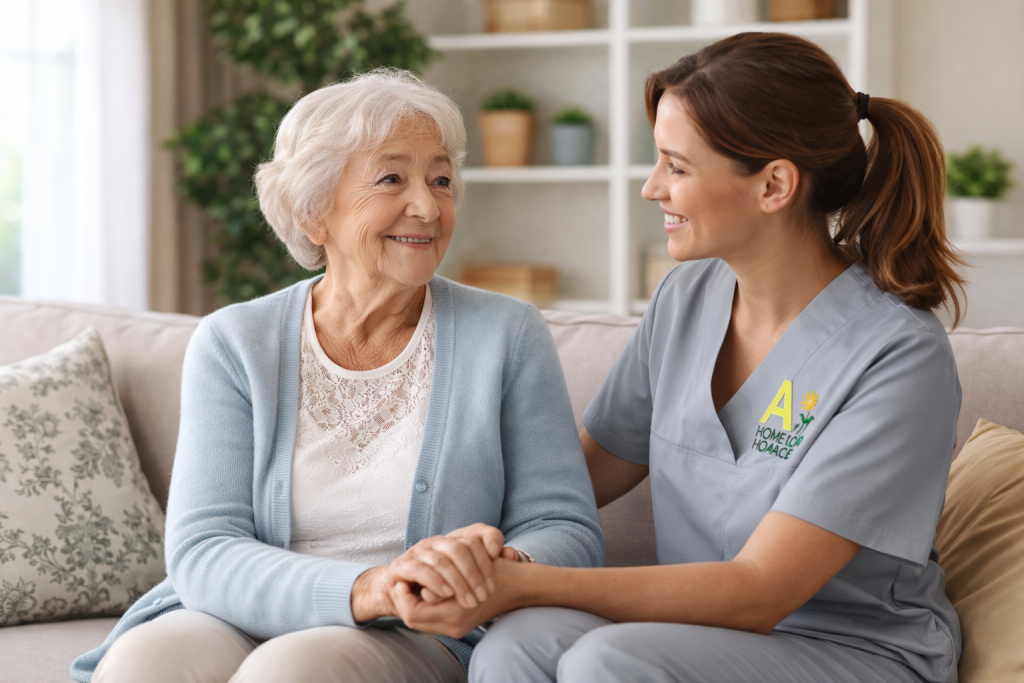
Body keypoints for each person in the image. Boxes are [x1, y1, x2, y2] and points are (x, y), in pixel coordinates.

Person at [389, 33, 966, 683]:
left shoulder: (897, 355)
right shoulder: (688, 298)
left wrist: (532, 583)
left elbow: (760, 590)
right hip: (696, 635)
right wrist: (468, 541)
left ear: (774, 184)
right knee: (515, 643)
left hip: (854, 649)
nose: (651, 187)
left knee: (607, 660)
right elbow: (586, 469)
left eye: (677, 166)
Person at [70, 68, 603, 683]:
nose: (428, 207)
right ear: (314, 212)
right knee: (146, 664)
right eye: (391, 179)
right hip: (236, 612)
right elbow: (204, 551)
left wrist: (493, 565)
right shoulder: (235, 342)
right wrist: (368, 586)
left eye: (441, 180)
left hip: (412, 631)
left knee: (292, 670)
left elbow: (567, 529)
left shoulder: (506, 335)